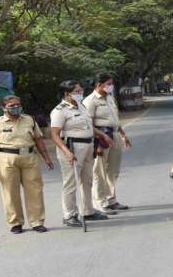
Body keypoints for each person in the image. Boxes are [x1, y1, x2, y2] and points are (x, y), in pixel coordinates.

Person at [0, 95, 54, 234]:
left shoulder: (29, 120)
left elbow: (38, 140)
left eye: (18, 105)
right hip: (7, 159)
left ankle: (37, 222)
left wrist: (47, 158)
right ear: (3, 108)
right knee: (10, 192)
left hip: (29, 157)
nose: (16, 108)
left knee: (35, 190)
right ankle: (15, 223)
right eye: (11, 106)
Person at [50, 81, 111, 228]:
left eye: (81, 91)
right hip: (72, 148)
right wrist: (66, 152)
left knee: (87, 180)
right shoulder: (60, 110)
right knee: (71, 183)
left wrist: (102, 134)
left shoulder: (81, 106)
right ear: (67, 93)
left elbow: (89, 125)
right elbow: (54, 134)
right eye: (77, 91)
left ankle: (88, 210)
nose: (80, 93)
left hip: (88, 145)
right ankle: (69, 215)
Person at [82, 73, 131, 215]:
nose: (111, 86)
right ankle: (100, 203)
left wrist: (123, 134)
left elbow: (115, 119)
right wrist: (96, 144)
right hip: (101, 138)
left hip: (114, 135)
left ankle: (111, 200)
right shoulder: (90, 101)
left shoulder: (110, 97)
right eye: (108, 84)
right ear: (99, 85)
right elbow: (88, 124)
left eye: (111, 84)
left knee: (113, 171)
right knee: (99, 172)